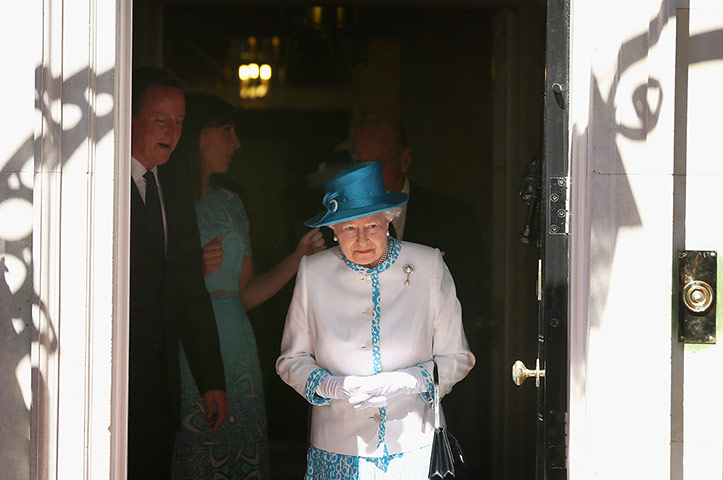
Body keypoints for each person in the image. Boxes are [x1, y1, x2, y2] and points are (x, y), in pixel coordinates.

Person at [276, 161, 475, 479]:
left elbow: (458, 358)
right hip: (337, 448)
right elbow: (291, 361)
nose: (362, 240)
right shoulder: (313, 273)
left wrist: (409, 380)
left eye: (371, 226)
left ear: (389, 219)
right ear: (334, 230)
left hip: (414, 444)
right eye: (349, 228)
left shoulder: (428, 265)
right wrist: (331, 386)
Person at [163, 92, 325, 479]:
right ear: (200, 135)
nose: (237, 143)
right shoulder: (165, 199)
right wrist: (190, 271)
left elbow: (246, 295)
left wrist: (297, 257)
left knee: (241, 452)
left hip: (238, 346)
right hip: (188, 346)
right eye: (227, 131)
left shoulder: (233, 203)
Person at [129, 67, 227, 479]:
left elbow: (189, 288)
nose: (172, 131)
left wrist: (211, 379)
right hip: (113, 380)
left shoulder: (172, 186)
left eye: (180, 121)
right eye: (160, 119)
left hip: (161, 388)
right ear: (130, 118)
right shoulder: (99, 183)